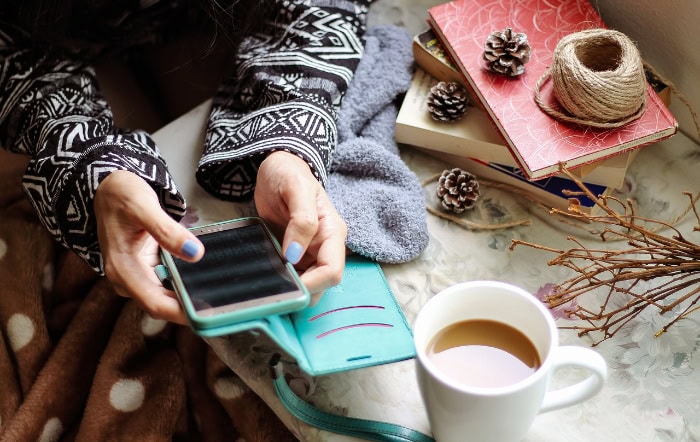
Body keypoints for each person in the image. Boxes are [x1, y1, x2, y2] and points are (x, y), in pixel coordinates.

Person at [0, 0, 374, 324]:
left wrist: (287, 141)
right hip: (40, 29)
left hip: (209, 18)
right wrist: (93, 170)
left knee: (187, 177)